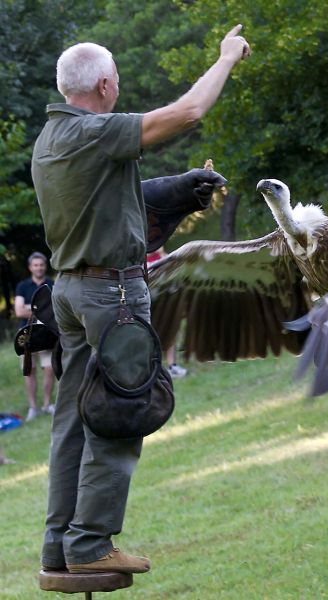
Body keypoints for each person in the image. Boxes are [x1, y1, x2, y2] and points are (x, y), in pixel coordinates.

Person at [31, 26, 250, 575]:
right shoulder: (96, 131)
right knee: (119, 414)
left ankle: (60, 545)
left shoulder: (52, 139)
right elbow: (190, 110)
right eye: (118, 80)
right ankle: (90, 545)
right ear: (104, 84)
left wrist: (175, 187)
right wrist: (225, 57)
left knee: (73, 422)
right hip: (113, 295)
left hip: (70, 291)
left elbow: (114, 201)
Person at [14, 252, 55, 421]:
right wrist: (41, 309)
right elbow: (18, 311)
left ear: (45, 266)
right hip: (26, 335)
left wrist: (29, 308)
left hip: (47, 334)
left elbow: (55, 308)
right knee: (28, 371)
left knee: (50, 369)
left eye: (41, 264)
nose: (39, 268)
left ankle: (47, 405)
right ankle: (33, 408)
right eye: (35, 265)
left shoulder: (51, 283)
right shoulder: (22, 286)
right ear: (30, 267)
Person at [147, 247, 187, 378]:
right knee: (147, 332)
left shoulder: (160, 248)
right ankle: (150, 367)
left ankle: (172, 366)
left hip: (163, 291)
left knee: (170, 326)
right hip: (147, 295)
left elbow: (167, 258)